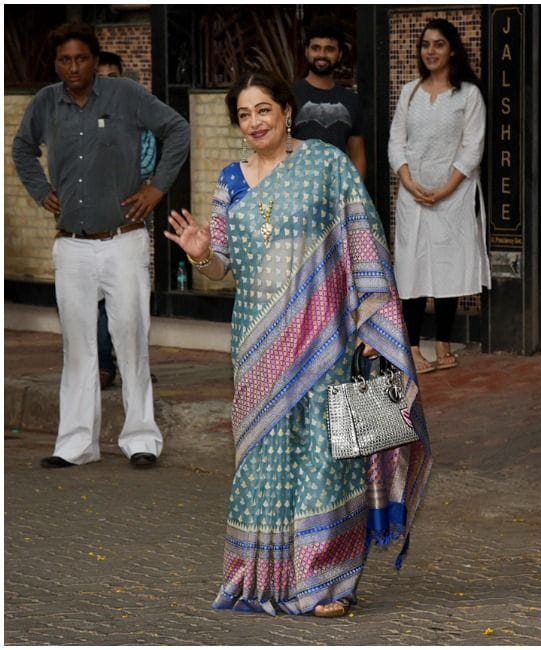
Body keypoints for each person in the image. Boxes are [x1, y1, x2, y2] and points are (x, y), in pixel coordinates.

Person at [164, 71, 431, 617]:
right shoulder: (230, 182)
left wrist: (371, 323)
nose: (255, 122)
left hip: (327, 340)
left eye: (264, 110)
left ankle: (327, 583)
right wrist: (198, 253)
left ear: (287, 111)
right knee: (263, 459)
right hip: (258, 346)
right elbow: (221, 269)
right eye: (244, 114)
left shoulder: (326, 165)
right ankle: (263, 577)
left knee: (325, 457)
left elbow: (364, 237)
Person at [12, 22, 190, 469]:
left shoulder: (125, 95)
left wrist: (156, 189)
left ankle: (141, 439)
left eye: (81, 58)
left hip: (122, 241)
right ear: (56, 65)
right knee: (77, 347)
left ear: (95, 60)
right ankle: (76, 444)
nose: (73, 67)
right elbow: (21, 148)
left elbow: (178, 131)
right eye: (64, 60)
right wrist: (40, 190)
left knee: (131, 339)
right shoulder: (45, 103)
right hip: (71, 245)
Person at [388, 18, 491, 374]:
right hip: (412, 197)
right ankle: (413, 348)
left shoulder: (468, 95)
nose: (430, 51)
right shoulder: (410, 92)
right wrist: (409, 182)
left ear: (453, 50)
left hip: (454, 197)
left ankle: (444, 343)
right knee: (413, 268)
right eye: (426, 44)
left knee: (448, 266)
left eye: (439, 44)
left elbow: (473, 146)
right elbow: (395, 142)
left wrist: (445, 189)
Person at [95, 50, 157, 390]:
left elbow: (146, 165)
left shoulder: (141, 119)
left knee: (133, 296)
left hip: (132, 218)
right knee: (101, 297)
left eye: (114, 76)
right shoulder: (80, 120)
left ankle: (136, 368)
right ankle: (105, 366)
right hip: (92, 225)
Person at [292, 20, 367, 177]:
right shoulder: (290, 94)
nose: (322, 55)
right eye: (315, 48)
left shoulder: (351, 100)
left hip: (338, 187)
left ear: (339, 54)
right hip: (298, 185)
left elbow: (357, 155)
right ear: (306, 52)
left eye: (329, 49)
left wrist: (356, 192)